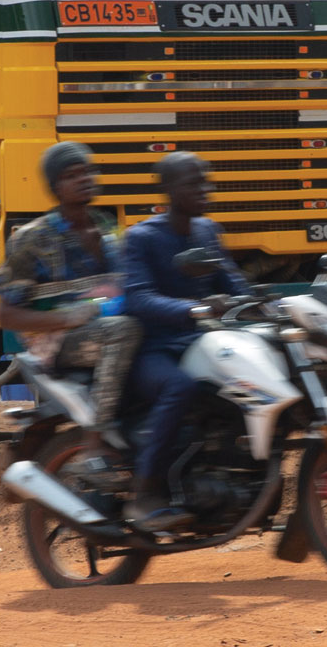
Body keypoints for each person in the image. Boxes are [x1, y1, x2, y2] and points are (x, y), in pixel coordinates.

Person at [115, 152, 251, 532]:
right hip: (153, 350)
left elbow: (232, 284)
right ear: (170, 190)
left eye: (206, 181)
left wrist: (268, 304)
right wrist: (193, 309)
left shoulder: (208, 230)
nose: (204, 190)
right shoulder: (141, 237)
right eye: (193, 183)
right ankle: (145, 493)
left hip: (200, 345)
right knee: (180, 387)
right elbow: (137, 297)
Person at [0, 142, 142, 445]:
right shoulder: (32, 238)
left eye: (88, 172)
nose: (84, 179)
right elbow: (3, 314)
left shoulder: (108, 227)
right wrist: (68, 317)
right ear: (56, 186)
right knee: (124, 330)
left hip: (99, 328)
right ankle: (96, 438)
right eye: (73, 175)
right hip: (54, 343)